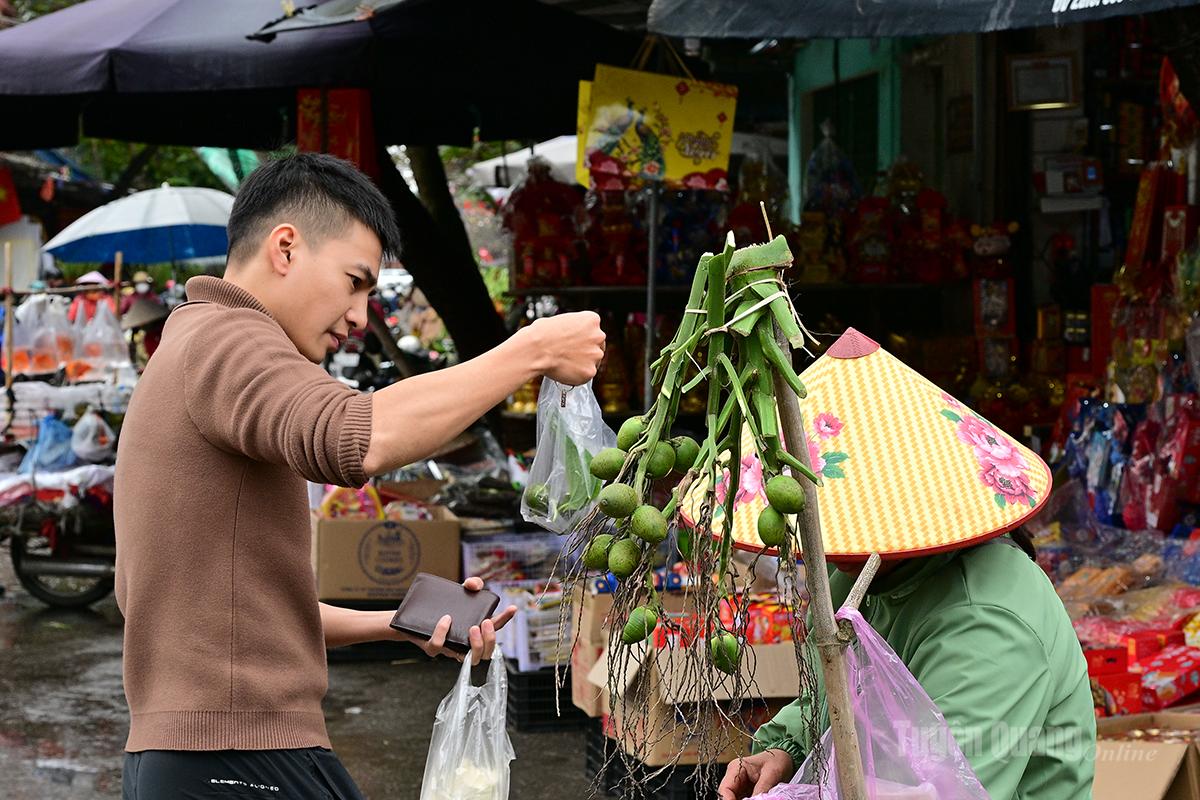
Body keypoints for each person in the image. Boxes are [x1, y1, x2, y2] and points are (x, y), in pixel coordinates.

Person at [113, 153, 606, 800]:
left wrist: (389, 625)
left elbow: (230, 610)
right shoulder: (229, 340)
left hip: (208, 754)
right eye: (354, 282)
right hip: (233, 755)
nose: (357, 316)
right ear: (285, 247)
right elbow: (356, 438)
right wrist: (532, 350)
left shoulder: (194, 346)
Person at [718, 532, 1095, 800]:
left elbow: (941, 787)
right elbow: (834, 697)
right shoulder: (854, 579)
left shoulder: (986, 623)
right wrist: (788, 751)